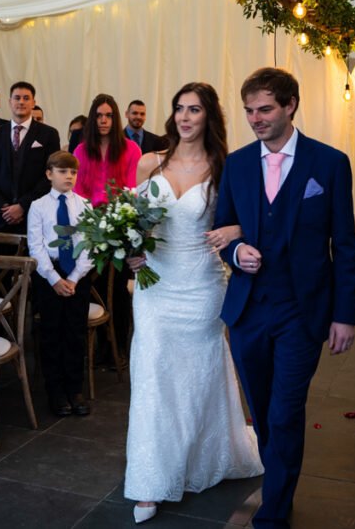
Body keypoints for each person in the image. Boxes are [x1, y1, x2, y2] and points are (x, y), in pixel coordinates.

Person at [215, 67, 355, 529]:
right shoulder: (237, 164)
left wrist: (345, 314)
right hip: (248, 312)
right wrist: (238, 252)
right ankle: (278, 486)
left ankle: (273, 512)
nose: (255, 119)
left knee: (285, 411)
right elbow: (221, 232)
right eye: (249, 111)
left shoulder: (329, 163)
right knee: (261, 414)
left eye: (265, 109)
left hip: (303, 312)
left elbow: (347, 245)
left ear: (290, 105)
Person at [124, 83, 263, 523]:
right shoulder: (150, 162)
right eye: (179, 108)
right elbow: (131, 221)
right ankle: (149, 481)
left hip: (202, 286)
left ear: (209, 117)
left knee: (196, 380)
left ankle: (200, 458)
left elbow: (254, 222)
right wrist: (129, 247)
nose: (185, 117)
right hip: (155, 288)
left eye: (195, 110)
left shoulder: (228, 168)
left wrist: (235, 233)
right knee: (152, 376)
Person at [27, 151, 95, 418]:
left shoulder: (85, 205)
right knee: (52, 333)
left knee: (75, 333)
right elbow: (36, 246)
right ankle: (55, 392)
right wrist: (54, 278)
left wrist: (74, 277)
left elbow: (89, 245)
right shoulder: (39, 206)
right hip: (50, 275)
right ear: (49, 174)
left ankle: (74, 389)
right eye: (63, 171)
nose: (69, 176)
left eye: (73, 172)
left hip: (77, 274)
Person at [74, 94, 142, 357]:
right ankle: (97, 348)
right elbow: (77, 194)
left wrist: (116, 220)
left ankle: (118, 351)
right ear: (92, 118)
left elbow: (132, 190)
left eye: (108, 116)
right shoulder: (81, 150)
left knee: (118, 292)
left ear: (116, 119)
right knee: (94, 289)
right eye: (99, 116)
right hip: (89, 230)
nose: (103, 121)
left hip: (120, 228)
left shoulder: (131, 149)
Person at [0, 81, 60, 239]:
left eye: (26, 98)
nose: (21, 102)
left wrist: (22, 206)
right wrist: (4, 207)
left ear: (34, 102)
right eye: (17, 97)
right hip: (1, 217)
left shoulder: (49, 135)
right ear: (9, 102)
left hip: (35, 215)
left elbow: (50, 176)